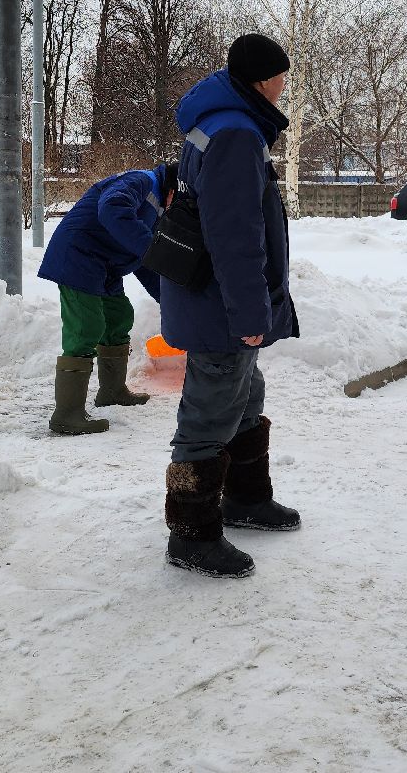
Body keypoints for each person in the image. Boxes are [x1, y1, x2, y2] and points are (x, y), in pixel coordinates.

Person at [159, 33, 300, 579]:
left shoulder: (218, 121)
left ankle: (245, 498)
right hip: (222, 304)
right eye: (281, 77)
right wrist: (248, 316)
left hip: (214, 297)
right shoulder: (238, 134)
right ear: (262, 80)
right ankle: (191, 534)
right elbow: (234, 236)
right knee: (210, 410)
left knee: (245, 395)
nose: (284, 87)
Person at [37, 162, 177, 436]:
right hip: (79, 256)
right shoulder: (141, 181)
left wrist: (170, 301)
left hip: (105, 267)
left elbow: (145, 262)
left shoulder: (158, 207)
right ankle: (67, 414)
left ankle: (112, 391)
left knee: (119, 317)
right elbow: (112, 208)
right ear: (174, 188)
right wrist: (151, 248)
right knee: (86, 328)